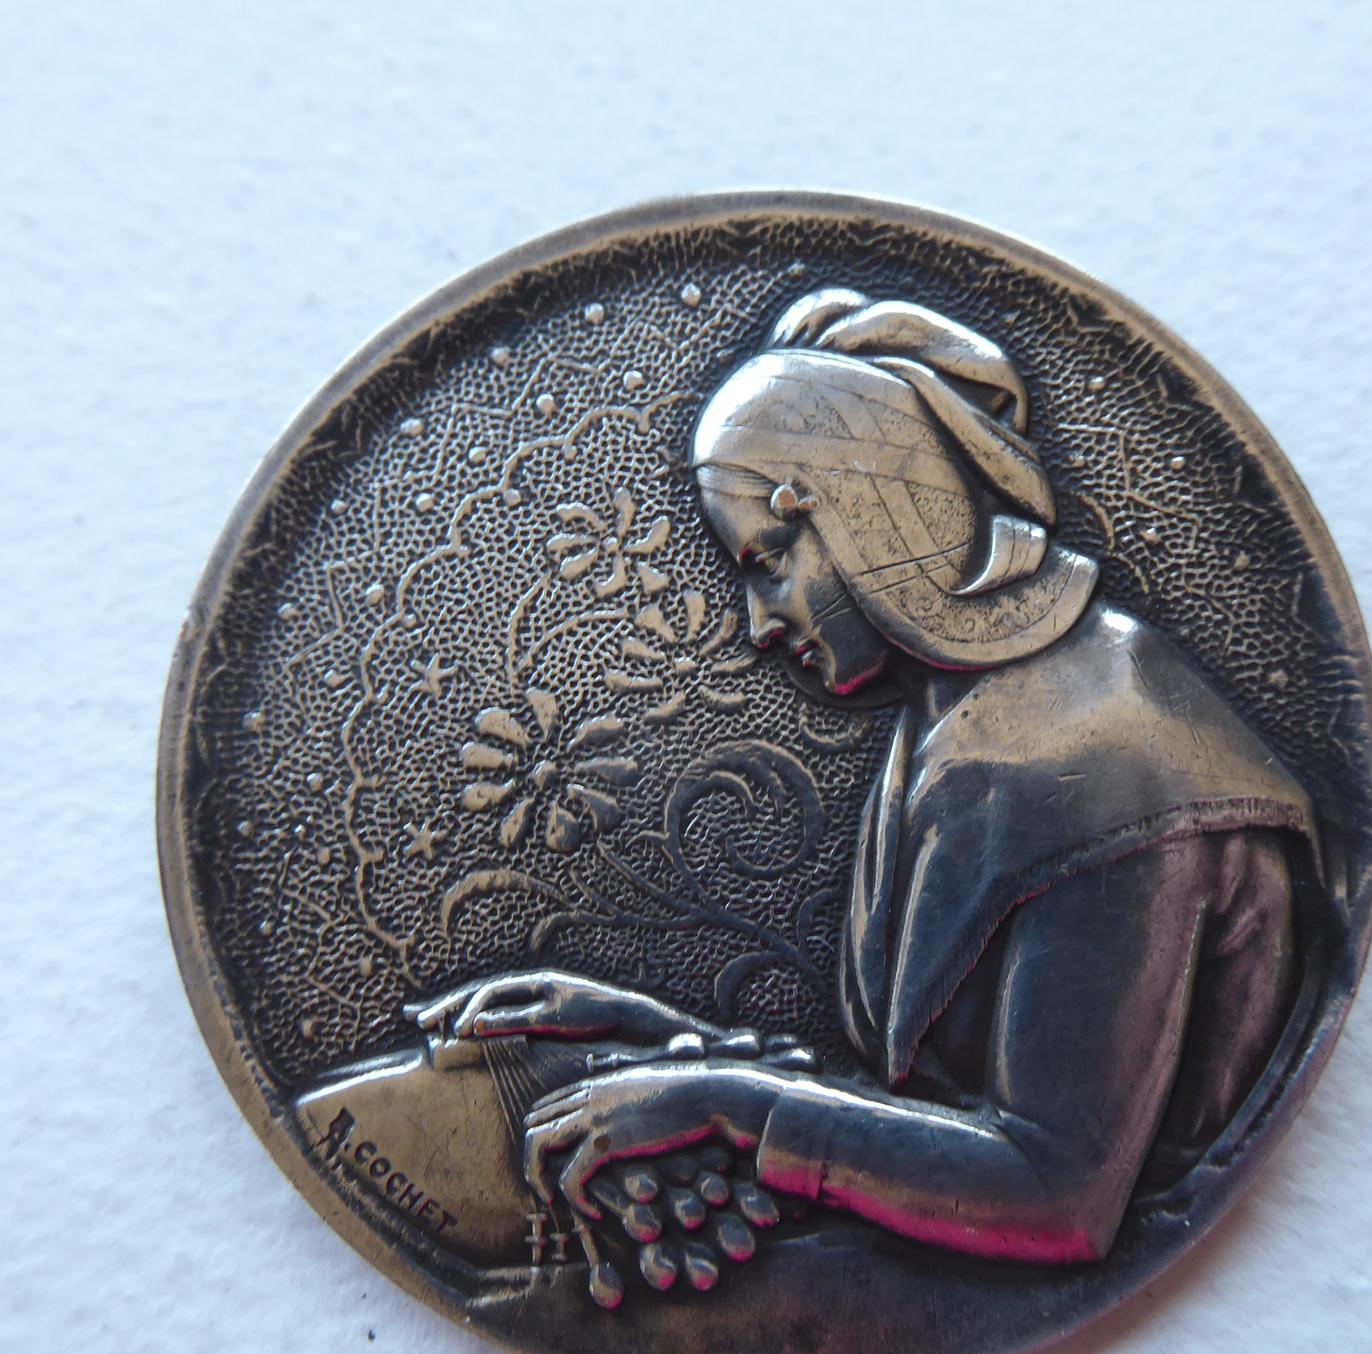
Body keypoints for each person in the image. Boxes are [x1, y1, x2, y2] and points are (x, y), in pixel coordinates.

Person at [418, 289, 1323, 1266]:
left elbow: (1057, 1194)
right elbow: (927, 1106)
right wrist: (662, 1046)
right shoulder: (959, 715)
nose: (760, 623)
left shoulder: (1114, 763)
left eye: (767, 562)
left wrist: (732, 1103)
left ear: (858, 517)